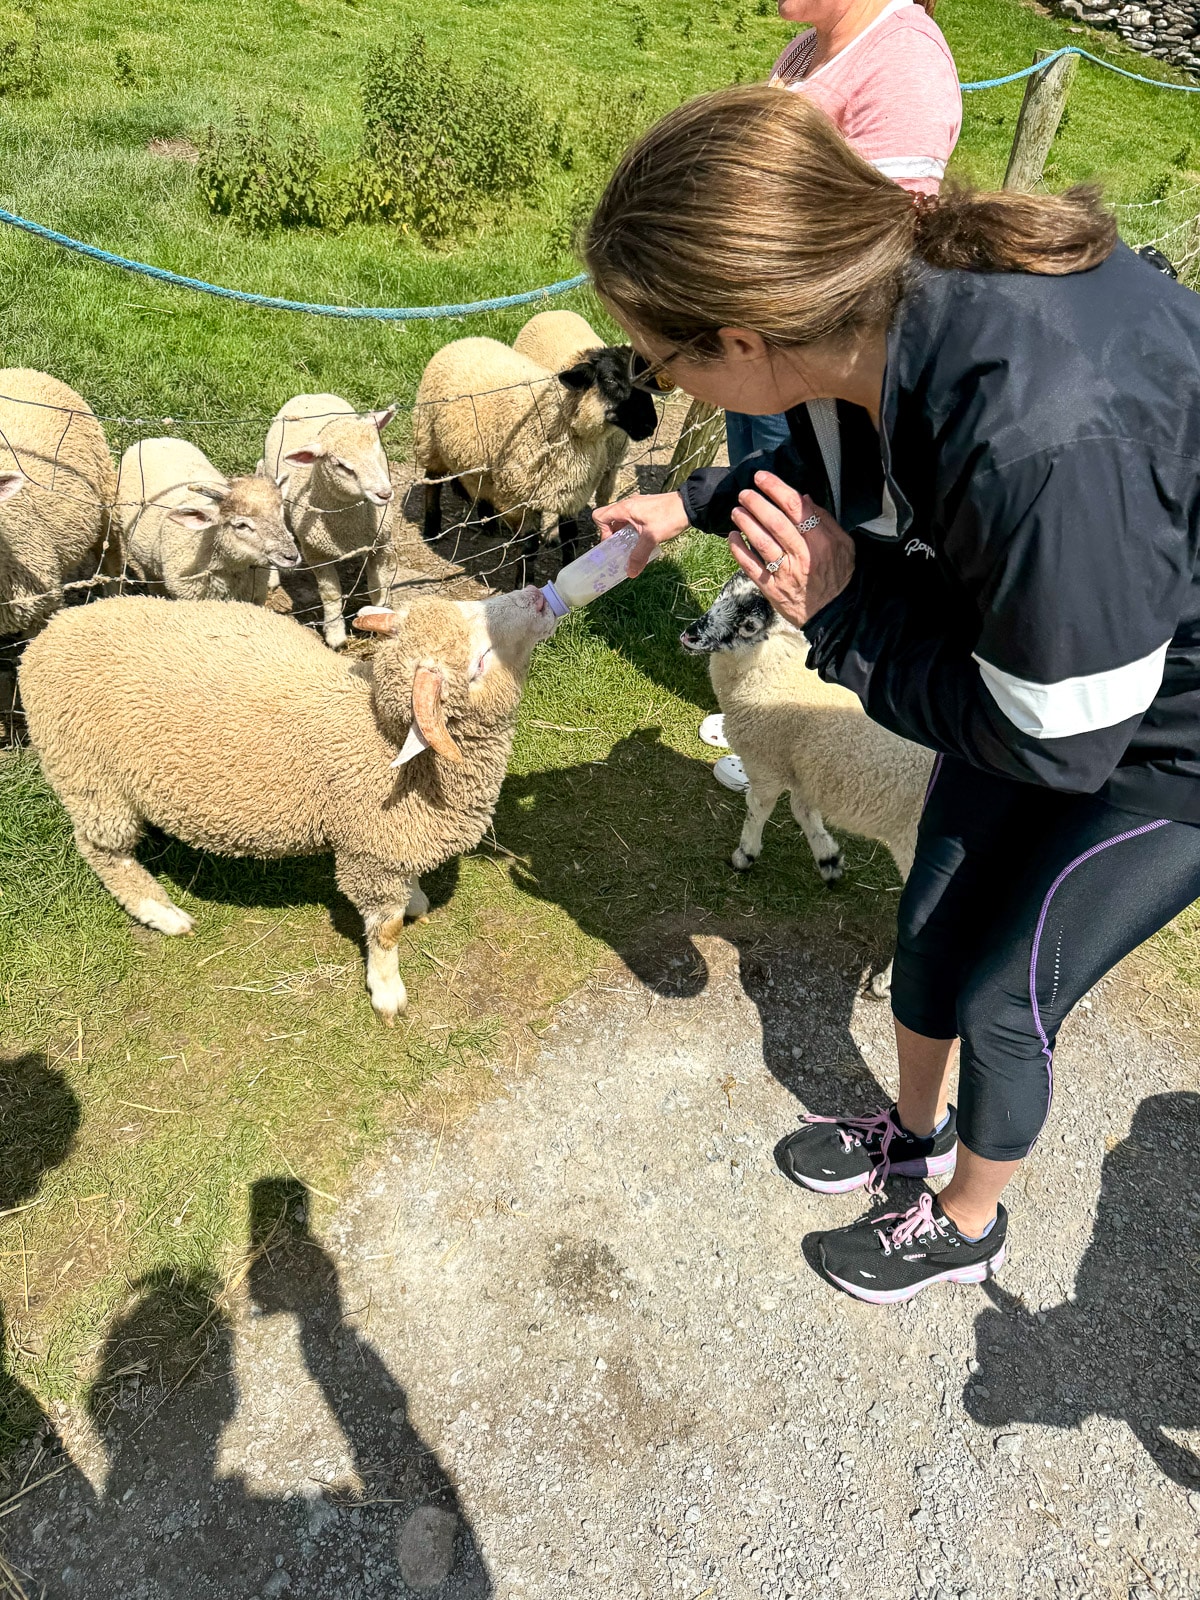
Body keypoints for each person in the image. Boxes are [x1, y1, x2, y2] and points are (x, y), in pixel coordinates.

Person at [588, 86, 1200, 1304]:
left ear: (746, 338)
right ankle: (910, 1142)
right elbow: (831, 482)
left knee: (1004, 994)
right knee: (927, 929)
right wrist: (693, 502)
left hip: (1160, 739)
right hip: (1044, 650)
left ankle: (967, 1220)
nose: (671, 387)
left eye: (666, 362)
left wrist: (847, 615)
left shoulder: (1037, 438)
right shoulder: (869, 318)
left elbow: (1058, 745)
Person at [723, 0, 961, 470]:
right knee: (752, 509)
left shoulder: (905, 59)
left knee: (798, 516)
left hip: (817, 364)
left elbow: (884, 244)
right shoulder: (806, 49)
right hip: (762, 335)